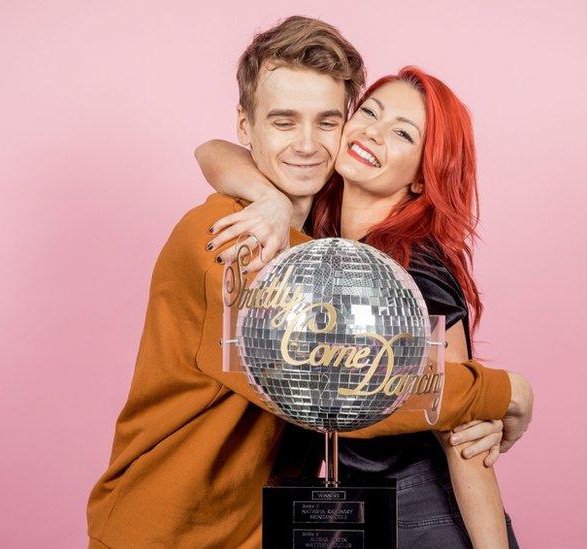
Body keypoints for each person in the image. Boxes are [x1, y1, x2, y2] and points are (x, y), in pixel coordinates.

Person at [87, 16, 532, 549]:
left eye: (326, 122)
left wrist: (272, 197)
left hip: (266, 530)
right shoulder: (234, 243)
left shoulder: (329, 250)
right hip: (167, 534)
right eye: (282, 121)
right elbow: (357, 391)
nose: (306, 144)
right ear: (245, 126)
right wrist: (509, 392)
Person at [195, 66, 529, 548]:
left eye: (401, 133)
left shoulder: (414, 268)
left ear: (422, 177)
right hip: (351, 512)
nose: (373, 131)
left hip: (423, 515)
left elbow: (461, 423)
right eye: (369, 112)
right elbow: (211, 151)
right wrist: (270, 200)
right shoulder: (322, 238)